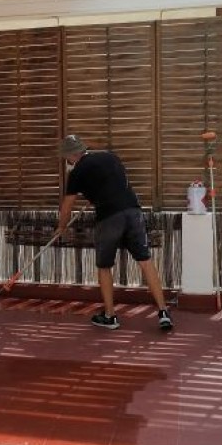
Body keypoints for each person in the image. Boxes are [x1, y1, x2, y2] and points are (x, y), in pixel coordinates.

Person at [57, 134, 174, 331]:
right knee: (145, 261)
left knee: (104, 267)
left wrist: (61, 227)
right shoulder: (110, 157)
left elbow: (67, 207)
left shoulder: (76, 173)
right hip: (133, 211)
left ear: (70, 156)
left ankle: (110, 316)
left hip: (109, 217)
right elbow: (115, 183)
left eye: (66, 159)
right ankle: (163, 312)